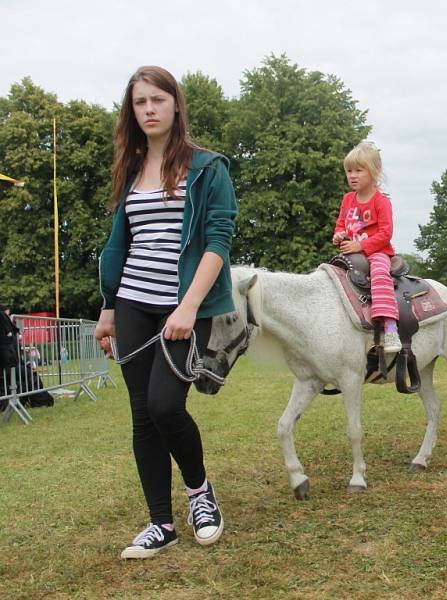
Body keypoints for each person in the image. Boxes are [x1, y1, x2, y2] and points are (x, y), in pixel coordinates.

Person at [93, 66, 237, 559]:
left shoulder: (208, 167)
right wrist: (109, 308)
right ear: (131, 112)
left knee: (166, 406)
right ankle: (161, 522)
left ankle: (200, 493)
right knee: (141, 416)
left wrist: (189, 305)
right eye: (139, 102)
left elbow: (218, 240)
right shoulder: (131, 170)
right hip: (133, 301)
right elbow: (121, 243)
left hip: (184, 306)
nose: (149, 109)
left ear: (175, 104)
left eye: (157, 99)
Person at [332, 142, 401, 352]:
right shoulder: (347, 199)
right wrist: (339, 235)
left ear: (374, 172)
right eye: (349, 171)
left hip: (377, 252)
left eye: (358, 171)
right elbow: (341, 223)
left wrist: (360, 245)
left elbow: (385, 233)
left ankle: (390, 329)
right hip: (350, 253)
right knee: (330, 277)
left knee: (380, 274)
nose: (352, 176)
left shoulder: (381, 202)